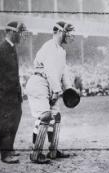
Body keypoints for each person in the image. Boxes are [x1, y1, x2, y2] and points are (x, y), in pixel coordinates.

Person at [26, 21, 75, 164]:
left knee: (56, 116)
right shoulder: (49, 47)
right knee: (45, 116)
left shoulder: (61, 51)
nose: (71, 36)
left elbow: (63, 72)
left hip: (50, 85)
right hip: (39, 82)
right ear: (60, 32)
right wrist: (57, 90)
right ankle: (36, 154)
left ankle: (53, 151)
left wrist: (69, 88)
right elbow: (50, 71)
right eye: (69, 32)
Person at [0, 21, 27, 164]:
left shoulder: (12, 48)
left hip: (14, 95)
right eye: (19, 33)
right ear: (11, 32)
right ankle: (5, 155)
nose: (21, 36)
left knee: (15, 119)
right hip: (3, 95)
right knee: (5, 123)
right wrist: (2, 87)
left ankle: (10, 148)